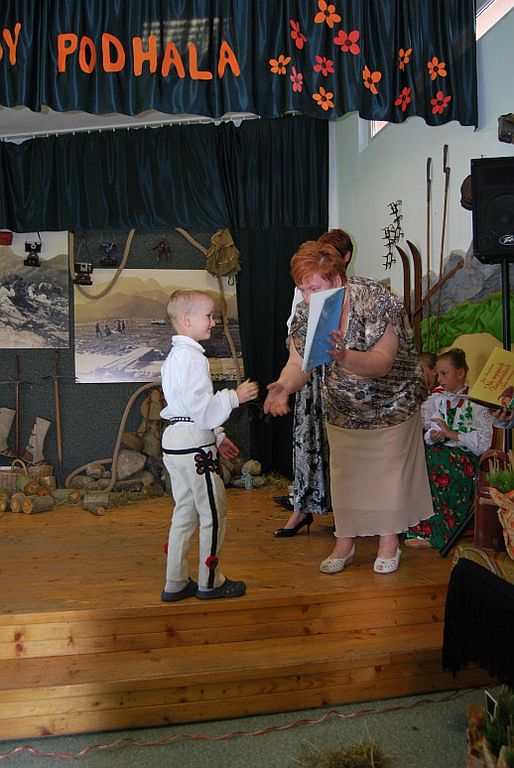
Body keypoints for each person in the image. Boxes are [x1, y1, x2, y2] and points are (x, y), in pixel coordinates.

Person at [264, 239, 433, 574]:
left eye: (314, 288)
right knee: (347, 479)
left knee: (388, 479)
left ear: (337, 280)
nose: (307, 297)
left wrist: (344, 356)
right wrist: (284, 386)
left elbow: (382, 361)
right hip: (343, 407)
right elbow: (298, 363)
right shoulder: (307, 312)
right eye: (302, 289)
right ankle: (345, 544)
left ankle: (389, 544)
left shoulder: (376, 299)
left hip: (392, 404)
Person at [160, 289, 259, 602]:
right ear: (186, 319)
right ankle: (210, 580)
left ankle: (175, 582)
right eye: (209, 315)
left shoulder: (174, 358)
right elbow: (200, 407)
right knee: (213, 514)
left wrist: (217, 436)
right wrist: (234, 397)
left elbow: (188, 408)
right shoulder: (192, 358)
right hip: (194, 448)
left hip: (176, 442)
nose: (214, 322)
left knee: (184, 513)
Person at [273, 229, 352, 538]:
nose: (307, 294)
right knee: (308, 440)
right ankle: (303, 505)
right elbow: (296, 344)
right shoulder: (306, 296)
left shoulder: (358, 297)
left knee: (343, 450)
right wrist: (285, 384)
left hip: (346, 383)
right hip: (309, 376)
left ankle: (347, 515)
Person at [405, 348, 494, 549]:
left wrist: (452, 434)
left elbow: (483, 444)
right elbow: (430, 429)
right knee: (418, 458)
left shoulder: (477, 403)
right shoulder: (439, 400)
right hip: (442, 452)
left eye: (444, 374)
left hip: (465, 457)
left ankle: (439, 532)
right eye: (438, 374)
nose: (439, 379)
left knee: (436, 462)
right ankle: (416, 526)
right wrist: (434, 436)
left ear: (460, 373)